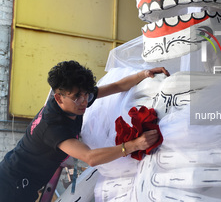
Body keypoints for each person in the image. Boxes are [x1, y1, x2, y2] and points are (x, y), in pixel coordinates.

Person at [0, 60, 169, 202]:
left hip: (21, 178)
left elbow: (116, 86)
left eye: (86, 94)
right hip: (12, 185)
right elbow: (90, 157)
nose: (83, 101)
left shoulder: (75, 99)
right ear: (58, 97)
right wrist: (134, 145)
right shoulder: (53, 126)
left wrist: (143, 74)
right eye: (77, 97)